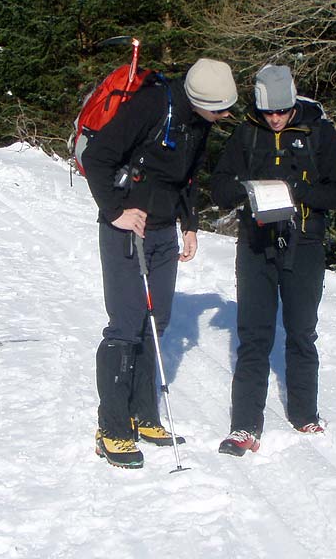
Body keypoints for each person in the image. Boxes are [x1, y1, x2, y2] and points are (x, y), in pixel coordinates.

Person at [82, 57, 238, 469]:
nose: (226, 116)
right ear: (202, 100)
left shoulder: (200, 123)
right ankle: (111, 429)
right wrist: (116, 211)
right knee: (126, 325)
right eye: (221, 109)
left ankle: (143, 414)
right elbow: (98, 157)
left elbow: (186, 177)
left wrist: (190, 224)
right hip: (126, 228)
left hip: (165, 230)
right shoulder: (153, 105)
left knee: (158, 320)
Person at [211, 64, 336, 456]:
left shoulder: (318, 131)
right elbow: (219, 188)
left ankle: (305, 412)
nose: (275, 119)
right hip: (256, 245)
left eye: (282, 111)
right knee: (254, 335)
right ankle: (245, 426)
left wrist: (298, 190)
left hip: (304, 244)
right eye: (268, 112)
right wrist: (248, 190)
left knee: (301, 331)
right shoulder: (246, 132)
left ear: (293, 103)